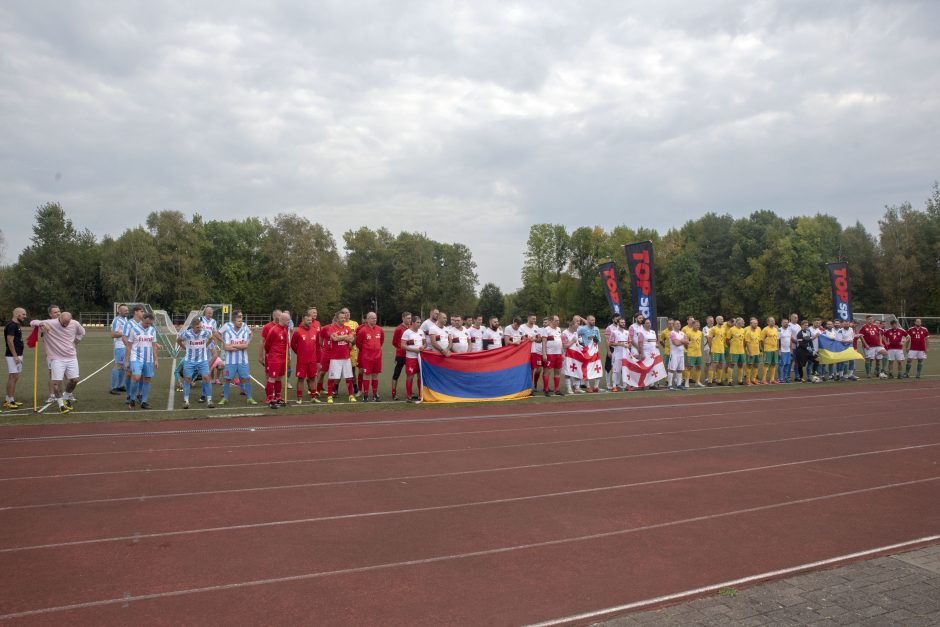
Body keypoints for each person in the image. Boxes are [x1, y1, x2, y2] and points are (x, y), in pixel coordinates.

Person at [30, 312, 85, 413]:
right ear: (59, 318)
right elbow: (32, 322)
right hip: (56, 358)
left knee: (74, 380)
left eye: (67, 323)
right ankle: (61, 405)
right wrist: (41, 324)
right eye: (64, 323)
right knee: (56, 382)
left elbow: (82, 332)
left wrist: (76, 341)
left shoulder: (75, 323)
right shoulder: (50, 323)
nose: (66, 325)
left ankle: (66, 397)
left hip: (71, 357)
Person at [219, 310, 256, 406]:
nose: (241, 322)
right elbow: (226, 347)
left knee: (246, 378)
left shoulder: (244, 332)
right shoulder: (228, 332)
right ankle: (225, 398)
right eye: (239, 320)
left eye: (241, 320)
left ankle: (249, 398)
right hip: (230, 361)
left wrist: (235, 347)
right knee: (227, 379)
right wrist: (239, 346)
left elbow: (245, 346)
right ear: (234, 321)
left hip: (243, 360)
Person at [178, 318, 214, 409]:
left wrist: (206, 345)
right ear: (193, 327)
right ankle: (186, 401)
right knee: (187, 379)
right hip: (189, 360)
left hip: (202, 360)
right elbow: (178, 340)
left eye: (200, 326)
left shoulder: (205, 332)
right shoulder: (186, 334)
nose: (200, 328)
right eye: (198, 327)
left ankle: (209, 400)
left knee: (206, 378)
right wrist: (185, 347)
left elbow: (211, 338)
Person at [124, 313, 158, 410]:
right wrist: (126, 361)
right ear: (142, 319)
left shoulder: (152, 330)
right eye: (146, 323)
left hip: (149, 359)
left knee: (147, 379)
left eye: (150, 323)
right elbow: (129, 345)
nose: (148, 325)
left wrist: (156, 360)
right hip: (136, 358)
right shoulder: (134, 329)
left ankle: (144, 401)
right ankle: (132, 398)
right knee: (137, 377)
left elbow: (154, 345)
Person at [291, 310, 320, 404]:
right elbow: (293, 344)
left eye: (311, 320)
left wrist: (317, 358)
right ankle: (299, 398)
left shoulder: (315, 331)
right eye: (308, 320)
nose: (310, 322)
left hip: (312, 360)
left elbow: (317, 345)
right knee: (301, 378)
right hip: (302, 360)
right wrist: (299, 353)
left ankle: (313, 397)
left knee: (312, 378)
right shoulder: (298, 331)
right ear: (303, 320)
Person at [327, 311, 357, 404]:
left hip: (346, 357)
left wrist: (341, 336)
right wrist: (345, 336)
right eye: (341, 318)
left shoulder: (348, 328)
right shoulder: (332, 328)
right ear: (337, 319)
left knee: (349, 376)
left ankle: (351, 395)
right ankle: (329, 396)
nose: (343, 319)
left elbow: (351, 339)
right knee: (332, 377)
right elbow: (334, 339)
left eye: (344, 318)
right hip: (335, 358)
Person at [356, 311, 384, 402]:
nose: (374, 319)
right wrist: (367, 351)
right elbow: (358, 343)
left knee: (375, 375)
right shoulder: (362, 330)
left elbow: (381, 342)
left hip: (377, 357)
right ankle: (365, 395)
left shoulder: (380, 329)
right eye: (372, 318)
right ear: (367, 319)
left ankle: (375, 395)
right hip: (367, 357)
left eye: (375, 318)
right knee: (366, 375)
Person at [4, 308, 27, 408]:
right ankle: (10, 400)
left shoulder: (17, 325)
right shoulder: (11, 325)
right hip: (13, 355)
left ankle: (9, 398)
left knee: (15, 376)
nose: (25, 316)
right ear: (17, 314)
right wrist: (15, 356)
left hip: (18, 354)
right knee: (13, 376)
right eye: (23, 314)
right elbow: (10, 341)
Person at [122, 305, 145, 404]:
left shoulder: (143, 323)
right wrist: (130, 348)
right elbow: (124, 337)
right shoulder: (129, 323)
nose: (143, 313)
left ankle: (139, 393)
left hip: (142, 353)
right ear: (136, 312)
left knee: (141, 374)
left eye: (143, 311)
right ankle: (129, 395)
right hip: (130, 352)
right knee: (128, 374)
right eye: (141, 311)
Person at [401, 316, 424, 403]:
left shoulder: (421, 332)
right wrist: (414, 350)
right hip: (411, 358)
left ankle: (420, 394)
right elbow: (402, 345)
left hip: (420, 358)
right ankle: (409, 395)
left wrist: (423, 347)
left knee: (420, 376)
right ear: (413, 323)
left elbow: (424, 343)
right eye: (417, 322)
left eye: (420, 322)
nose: (419, 324)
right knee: (410, 376)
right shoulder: (407, 333)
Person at [577, 315, 602, 392]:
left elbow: (599, 340)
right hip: (587, 352)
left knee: (598, 368)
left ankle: (596, 386)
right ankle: (588, 386)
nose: (593, 322)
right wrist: (581, 343)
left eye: (594, 320)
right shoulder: (583, 329)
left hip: (595, 352)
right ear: (587, 321)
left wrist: (596, 339)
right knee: (587, 369)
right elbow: (576, 335)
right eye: (591, 320)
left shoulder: (596, 329)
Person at [540, 315, 564, 396]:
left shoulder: (559, 329)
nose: (558, 322)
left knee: (557, 372)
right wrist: (544, 354)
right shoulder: (546, 330)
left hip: (558, 354)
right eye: (556, 320)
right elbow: (543, 343)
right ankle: (546, 389)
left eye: (558, 320)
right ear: (551, 321)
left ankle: (556, 389)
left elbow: (560, 342)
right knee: (547, 372)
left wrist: (562, 353)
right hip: (550, 354)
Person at [42, 304, 62, 404]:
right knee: (52, 375)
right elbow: (44, 340)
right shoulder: (47, 324)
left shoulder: (65, 323)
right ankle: (52, 395)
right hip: (52, 355)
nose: (58, 313)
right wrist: (47, 353)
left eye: (59, 311)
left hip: (65, 354)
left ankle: (67, 395)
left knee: (66, 375)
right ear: (50, 314)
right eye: (55, 312)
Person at [390, 312, 412, 400]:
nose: (409, 320)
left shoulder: (411, 328)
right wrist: (401, 348)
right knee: (396, 374)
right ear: (403, 318)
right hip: (400, 355)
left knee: (410, 373)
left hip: (410, 355)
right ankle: (394, 393)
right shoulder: (399, 329)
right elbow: (394, 342)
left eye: (410, 318)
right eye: (407, 318)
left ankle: (409, 392)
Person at [316, 313, 338, 398]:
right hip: (326, 354)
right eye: (335, 321)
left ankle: (332, 390)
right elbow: (320, 341)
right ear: (333, 320)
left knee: (333, 373)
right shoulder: (325, 328)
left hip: (335, 355)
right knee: (322, 373)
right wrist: (325, 348)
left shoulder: (339, 329)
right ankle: (318, 390)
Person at [109, 304, 129, 394]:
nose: (127, 312)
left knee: (124, 366)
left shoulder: (125, 319)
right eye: (125, 310)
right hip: (120, 346)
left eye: (127, 310)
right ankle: (113, 387)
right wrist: (124, 332)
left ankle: (120, 385)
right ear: (119, 311)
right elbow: (113, 334)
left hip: (126, 345)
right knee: (118, 365)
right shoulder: (116, 320)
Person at [520, 314, 543, 391]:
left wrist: (535, 339)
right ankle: (523, 386)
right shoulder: (522, 327)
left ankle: (530, 386)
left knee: (532, 369)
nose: (534, 320)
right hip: (524, 351)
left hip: (533, 351)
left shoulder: (536, 327)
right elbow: (522, 339)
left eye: (535, 319)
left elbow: (540, 339)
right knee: (524, 369)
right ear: (528, 318)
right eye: (533, 318)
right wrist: (529, 339)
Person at [561, 316, 583, 395]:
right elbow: (565, 346)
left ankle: (577, 387)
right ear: (571, 325)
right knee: (568, 372)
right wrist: (573, 341)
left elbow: (579, 343)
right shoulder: (564, 333)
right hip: (568, 356)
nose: (577, 327)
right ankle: (569, 388)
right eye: (576, 325)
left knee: (577, 370)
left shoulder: (576, 332)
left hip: (576, 356)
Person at [609, 317, 630, 392]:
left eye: (624, 322)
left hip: (625, 354)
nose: (623, 324)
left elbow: (629, 343)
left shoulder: (627, 332)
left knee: (625, 370)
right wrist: (619, 344)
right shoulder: (614, 332)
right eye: (621, 322)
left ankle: (626, 385)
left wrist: (628, 345)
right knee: (616, 370)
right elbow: (610, 343)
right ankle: (614, 386)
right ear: (618, 323)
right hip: (617, 354)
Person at [667, 320, 688, 390]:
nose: (678, 325)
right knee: (671, 369)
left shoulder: (682, 333)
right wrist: (683, 341)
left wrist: (681, 341)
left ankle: (678, 384)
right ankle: (669, 385)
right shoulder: (672, 333)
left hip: (681, 353)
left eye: (679, 323)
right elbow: (676, 343)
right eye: (676, 324)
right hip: (674, 354)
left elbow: (687, 343)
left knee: (680, 369)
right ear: (673, 325)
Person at [707, 315, 726, 385]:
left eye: (723, 319)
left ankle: (719, 380)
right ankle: (709, 381)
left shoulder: (723, 329)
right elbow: (709, 339)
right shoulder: (713, 329)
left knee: (721, 365)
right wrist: (711, 348)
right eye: (721, 319)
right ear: (717, 320)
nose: (722, 320)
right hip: (715, 350)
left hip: (722, 350)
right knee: (713, 365)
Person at [727, 318, 747, 385]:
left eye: (743, 322)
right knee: (731, 365)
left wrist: (743, 347)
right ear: (738, 322)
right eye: (742, 322)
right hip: (733, 351)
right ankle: (730, 380)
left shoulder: (743, 330)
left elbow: (744, 340)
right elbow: (727, 340)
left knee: (741, 365)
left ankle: (740, 380)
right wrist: (731, 346)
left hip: (741, 351)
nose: (743, 323)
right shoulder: (731, 329)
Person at [760, 317, 779, 384]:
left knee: (774, 364)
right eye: (771, 321)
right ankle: (763, 379)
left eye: (773, 321)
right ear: (768, 322)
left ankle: (772, 379)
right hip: (767, 349)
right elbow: (761, 340)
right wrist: (763, 348)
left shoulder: (775, 329)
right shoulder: (765, 329)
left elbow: (777, 340)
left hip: (775, 349)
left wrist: (777, 348)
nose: (773, 322)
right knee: (766, 364)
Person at [685, 320, 704, 388]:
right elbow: (685, 343)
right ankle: (686, 382)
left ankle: (697, 382)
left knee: (699, 367)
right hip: (691, 353)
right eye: (696, 325)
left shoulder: (700, 333)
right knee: (689, 367)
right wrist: (689, 349)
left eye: (699, 325)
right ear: (693, 325)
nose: (698, 326)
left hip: (698, 353)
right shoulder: (688, 333)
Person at [743, 318, 762, 385]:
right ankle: (748, 380)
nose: (756, 324)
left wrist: (760, 350)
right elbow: (747, 343)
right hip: (751, 352)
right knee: (749, 366)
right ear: (751, 324)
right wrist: (750, 352)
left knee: (756, 365)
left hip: (757, 352)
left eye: (756, 323)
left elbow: (759, 341)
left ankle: (753, 379)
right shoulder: (748, 332)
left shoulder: (757, 331)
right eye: (754, 323)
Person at [777, 318, 794, 383]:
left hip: (788, 351)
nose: (786, 323)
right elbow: (777, 341)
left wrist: (791, 349)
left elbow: (790, 340)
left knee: (787, 364)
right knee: (781, 365)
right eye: (785, 322)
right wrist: (779, 350)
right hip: (782, 350)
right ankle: (780, 378)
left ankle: (786, 378)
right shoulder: (779, 330)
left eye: (787, 322)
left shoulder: (789, 330)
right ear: (781, 323)